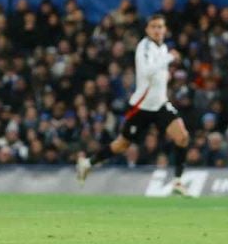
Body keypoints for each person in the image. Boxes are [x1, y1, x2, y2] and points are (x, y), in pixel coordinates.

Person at [76, 14, 192, 196]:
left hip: (160, 104)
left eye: (160, 27)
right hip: (142, 106)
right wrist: (169, 59)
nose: (157, 30)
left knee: (183, 137)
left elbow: (159, 74)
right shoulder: (144, 47)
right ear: (147, 30)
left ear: (165, 29)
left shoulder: (162, 48)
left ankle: (177, 181)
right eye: (153, 26)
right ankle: (87, 163)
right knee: (122, 145)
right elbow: (146, 71)